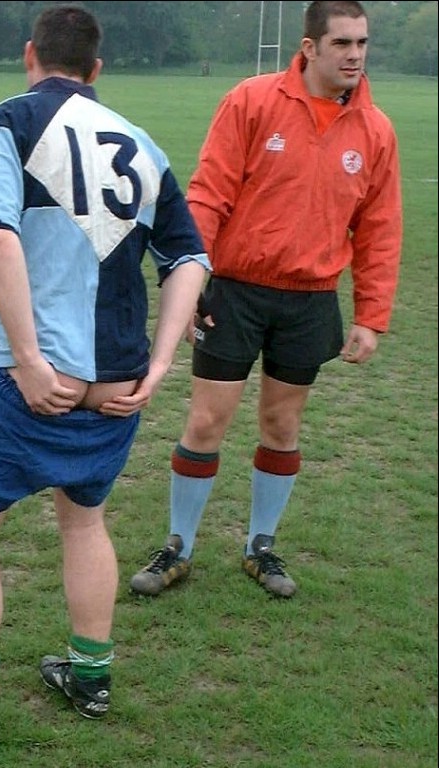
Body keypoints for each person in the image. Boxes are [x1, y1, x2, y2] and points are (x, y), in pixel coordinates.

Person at [0, 3, 210, 750]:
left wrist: (32, 358)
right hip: (118, 386)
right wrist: (162, 361)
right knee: (84, 520)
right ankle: (89, 678)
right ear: (96, 69)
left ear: (29, 55)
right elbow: (190, 261)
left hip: (31, 382)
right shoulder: (141, 143)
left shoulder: (3, 123)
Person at [130, 0, 402, 599]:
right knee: (206, 421)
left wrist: (371, 316)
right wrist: (192, 274)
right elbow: (208, 194)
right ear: (309, 48)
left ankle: (261, 546)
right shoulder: (251, 101)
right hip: (235, 292)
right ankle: (179, 545)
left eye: (362, 43)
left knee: (282, 423)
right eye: (342, 44)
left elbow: (380, 228)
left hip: (309, 301)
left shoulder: (376, 130)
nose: (355, 54)